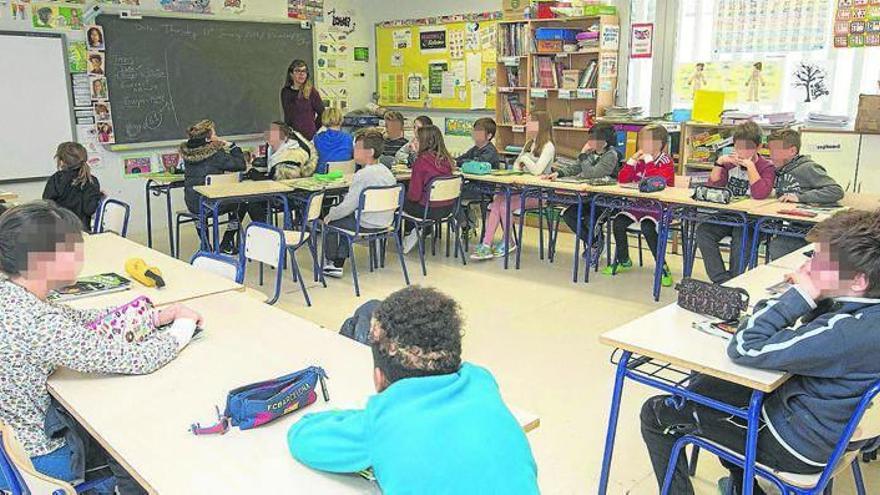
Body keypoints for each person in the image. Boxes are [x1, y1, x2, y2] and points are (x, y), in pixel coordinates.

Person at [641, 209, 880, 495]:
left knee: (655, 413)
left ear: (858, 281)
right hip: (834, 429)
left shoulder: (846, 332)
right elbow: (811, 334)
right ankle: (745, 487)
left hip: (799, 445)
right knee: (710, 387)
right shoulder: (865, 314)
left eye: (820, 260)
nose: (811, 266)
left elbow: (744, 346)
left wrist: (802, 295)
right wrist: (817, 294)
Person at [0, 201, 202, 494]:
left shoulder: (15, 295)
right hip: (41, 456)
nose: (80, 255)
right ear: (43, 260)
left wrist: (155, 317)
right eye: (72, 248)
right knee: (137, 444)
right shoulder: (38, 322)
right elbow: (137, 360)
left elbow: (77, 319)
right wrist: (183, 327)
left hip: (14, 445)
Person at [288, 286, 539, 494]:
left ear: (378, 378)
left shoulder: (382, 426)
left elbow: (301, 437)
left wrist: (371, 417)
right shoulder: (483, 384)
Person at [696, 121, 776, 284]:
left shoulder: (766, 167)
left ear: (759, 147)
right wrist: (719, 163)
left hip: (754, 219)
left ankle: (734, 280)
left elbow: (760, 193)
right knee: (703, 231)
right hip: (730, 215)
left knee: (742, 235)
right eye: (738, 147)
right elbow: (714, 188)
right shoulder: (730, 163)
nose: (742, 152)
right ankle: (722, 281)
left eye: (747, 148)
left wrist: (751, 167)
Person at [470, 111, 555, 261]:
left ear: (540, 125)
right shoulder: (529, 144)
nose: (527, 124)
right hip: (522, 190)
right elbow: (516, 166)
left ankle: (508, 241)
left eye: (530, 121)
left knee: (504, 205)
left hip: (538, 195)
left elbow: (536, 171)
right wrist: (522, 161)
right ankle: (486, 244)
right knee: (497, 201)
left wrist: (525, 159)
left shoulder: (548, 146)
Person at [602, 124, 675, 286]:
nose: (642, 144)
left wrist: (648, 160)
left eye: (648, 140)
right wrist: (631, 161)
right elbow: (623, 179)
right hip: (639, 205)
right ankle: (623, 259)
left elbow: (656, 182)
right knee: (618, 222)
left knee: (648, 227)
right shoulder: (640, 159)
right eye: (641, 140)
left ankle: (662, 266)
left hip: (659, 208)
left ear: (660, 143)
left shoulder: (665, 160)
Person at [321, 130, 396, 278]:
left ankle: (334, 264)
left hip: (365, 223)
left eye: (357, 148)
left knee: (332, 222)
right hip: (386, 221)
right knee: (345, 218)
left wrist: (330, 214)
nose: (353, 151)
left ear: (370, 152)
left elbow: (348, 206)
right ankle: (339, 260)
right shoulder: (387, 172)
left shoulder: (362, 175)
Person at [544, 123, 619, 261]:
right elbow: (576, 167)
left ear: (605, 140)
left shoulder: (611, 155)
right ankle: (595, 242)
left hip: (606, 201)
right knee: (569, 215)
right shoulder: (591, 153)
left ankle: (596, 243)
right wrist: (559, 173)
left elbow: (593, 174)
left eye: (594, 138)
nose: (590, 142)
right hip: (589, 198)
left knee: (591, 220)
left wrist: (583, 155)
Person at [765, 128, 844, 260]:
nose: (771, 154)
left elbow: (836, 190)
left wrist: (799, 197)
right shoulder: (780, 170)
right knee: (776, 243)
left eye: (775, 150)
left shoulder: (807, 167)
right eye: (770, 150)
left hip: (818, 228)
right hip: (797, 225)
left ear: (792, 151)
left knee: (779, 246)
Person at [178, 119, 248, 255]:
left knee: (197, 206)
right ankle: (226, 242)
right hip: (214, 204)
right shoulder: (216, 153)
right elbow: (241, 165)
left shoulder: (187, 154)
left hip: (193, 205)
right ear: (209, 136)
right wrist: (232, 146)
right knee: (241, 203)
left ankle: (205, 244)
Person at [401, 124, 456, 254]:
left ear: (425, 142)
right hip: (447, 209)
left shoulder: (421, 162)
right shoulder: (447, 160)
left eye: (417, 139)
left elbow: (414, 195)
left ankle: (404, 237)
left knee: (397, 198)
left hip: (427, 210)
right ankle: (420, 230)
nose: (414, 142)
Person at [42, 142, 102, 230]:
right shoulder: (91, 180)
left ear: (62, 161)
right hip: (82, 232)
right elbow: (89, 210)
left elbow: (47, 205)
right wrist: (98, 196)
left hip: (58, 231)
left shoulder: (56, 179)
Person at [247, 121, 316, 181]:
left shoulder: (289, 160)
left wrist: (258, 177)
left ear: (285, 138)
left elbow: (282, 184)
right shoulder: (280, 145)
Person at [281, 59, 324, 140]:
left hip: (309, 136)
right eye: (298, 71)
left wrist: (313, 127)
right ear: (291, 74)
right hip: (292, 136)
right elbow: (288, 115)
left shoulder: (311, 91)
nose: (301, 74)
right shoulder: (285, 92)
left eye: (304, 71)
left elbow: (322, 113)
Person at [313, 107, 353, 174]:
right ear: (341, 119)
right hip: (345, 175)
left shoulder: (317, 138)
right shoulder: (349, 137)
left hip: (324, 176)